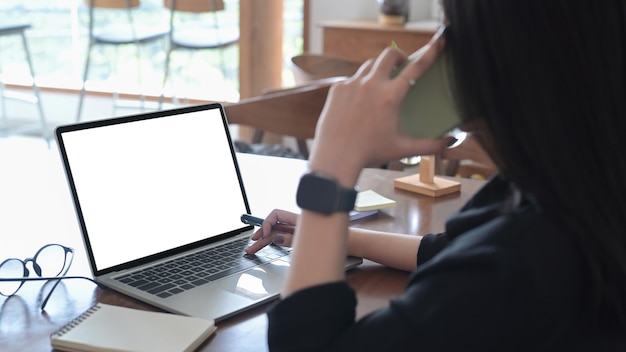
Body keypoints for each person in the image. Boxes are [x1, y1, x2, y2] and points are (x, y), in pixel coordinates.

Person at [246, 1, 626, 350]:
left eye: (449, 29)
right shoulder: (574, 185)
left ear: (501, 59)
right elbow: (453, 248)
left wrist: (331, 163)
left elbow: (306, 343)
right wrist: (326, 234)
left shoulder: (517, 268)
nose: (434, 49)